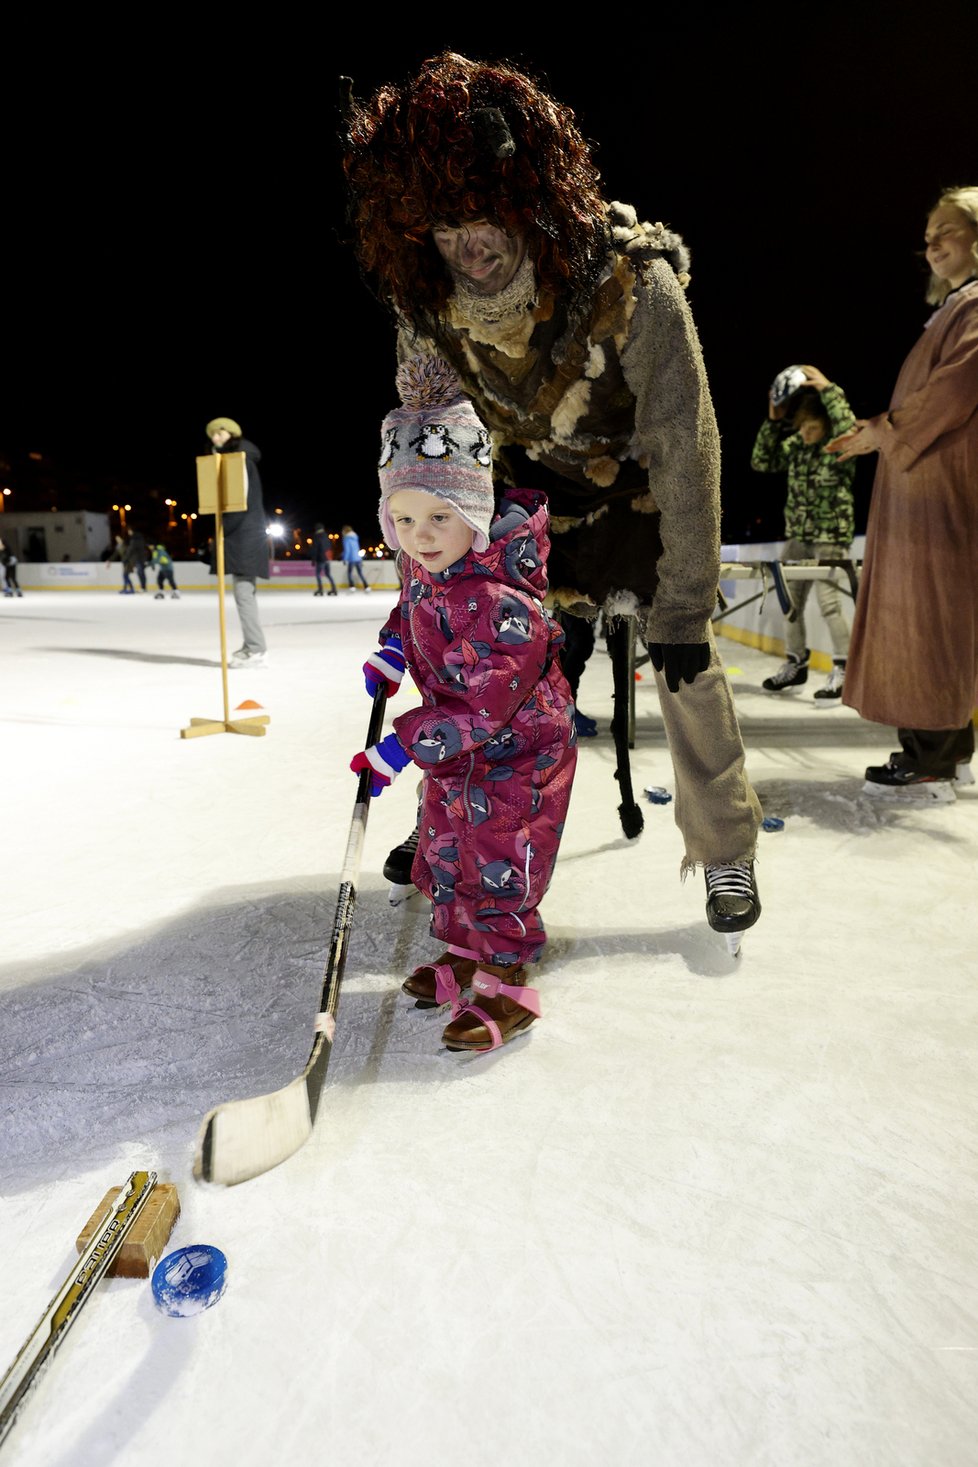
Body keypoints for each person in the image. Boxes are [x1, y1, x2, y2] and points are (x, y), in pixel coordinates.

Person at [340, 52, 763, 941]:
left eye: (483, 219)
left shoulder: (634, 287)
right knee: (471, 657)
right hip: (521, 507)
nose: (470, 248)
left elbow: (687, 452)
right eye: (445, 230)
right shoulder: (425, 307)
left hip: (639, 499)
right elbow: (431, 441)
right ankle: (450, 824)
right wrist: (431, 577)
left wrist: (682, 604)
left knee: (687, 665)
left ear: (528, 200)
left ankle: (725, 845)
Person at [351, 356, 577, 1052]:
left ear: (475, 513)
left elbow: (485, 708)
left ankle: (507, 978)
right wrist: (394, 648)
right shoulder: (429, 568)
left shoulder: (505, 603)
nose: (421, 534)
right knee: (447, 851)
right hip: (456, 754)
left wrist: (398, 747)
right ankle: (460, 952)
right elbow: (410, 607)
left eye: (440, 516)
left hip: (516, 758)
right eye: (405, 517)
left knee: (499, 861)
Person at [827, 186, 978, 798]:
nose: (932, 243)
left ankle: (933, 755)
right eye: (928, 235)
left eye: (947, 230)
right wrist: (877, 434)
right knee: (926, 614)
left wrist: (885, 430)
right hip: (921, 479)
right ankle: (942, 749)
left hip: (937, 486)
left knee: (930, 617)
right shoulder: (953, 308)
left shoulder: (975, 307)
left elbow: (953, 390)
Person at [751, 364, 856, 700]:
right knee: (789, 602)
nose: (806, 434)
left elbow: (848, 424)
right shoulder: (796, 445)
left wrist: (829, 389)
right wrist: (773, 420)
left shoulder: (841, 445)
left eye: (811, 428)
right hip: (798, 535)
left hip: (829, 535)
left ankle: (842, 668)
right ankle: (796, 664)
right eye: (801, 428)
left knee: (829, 604)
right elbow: (761, 461)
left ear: (823, 424)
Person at [205, 417, 269, 668]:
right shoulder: (237, 458)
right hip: (242, 533)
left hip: (244, 534)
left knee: (243, 594)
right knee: (243, 593)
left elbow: (238, 501)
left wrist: (224, 533)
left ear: (230, 433)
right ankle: (252, 645)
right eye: (212, 435)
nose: (214, 439)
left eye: (219, 434)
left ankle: (256, 649)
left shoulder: (239, 459)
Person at [340, 524, 369, 590]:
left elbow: (347, 550)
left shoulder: (346, 539)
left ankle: (352, 586)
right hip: (358, 558)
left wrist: (344, 559)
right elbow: (357, 548)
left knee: (349, 573)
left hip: (352, 559)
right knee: (360, 573)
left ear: (345, 531)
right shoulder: (355, 538)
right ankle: (366, 586)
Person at [312, 523, 338, 596]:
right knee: (328, 574)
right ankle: (334, 589)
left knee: (318, 574)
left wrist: (314, 559)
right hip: (327, 559)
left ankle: (320, 590)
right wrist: (329, 558)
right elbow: (329, 548)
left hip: (320, 558)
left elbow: (315, 548)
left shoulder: (317, 536)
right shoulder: (326, 536)